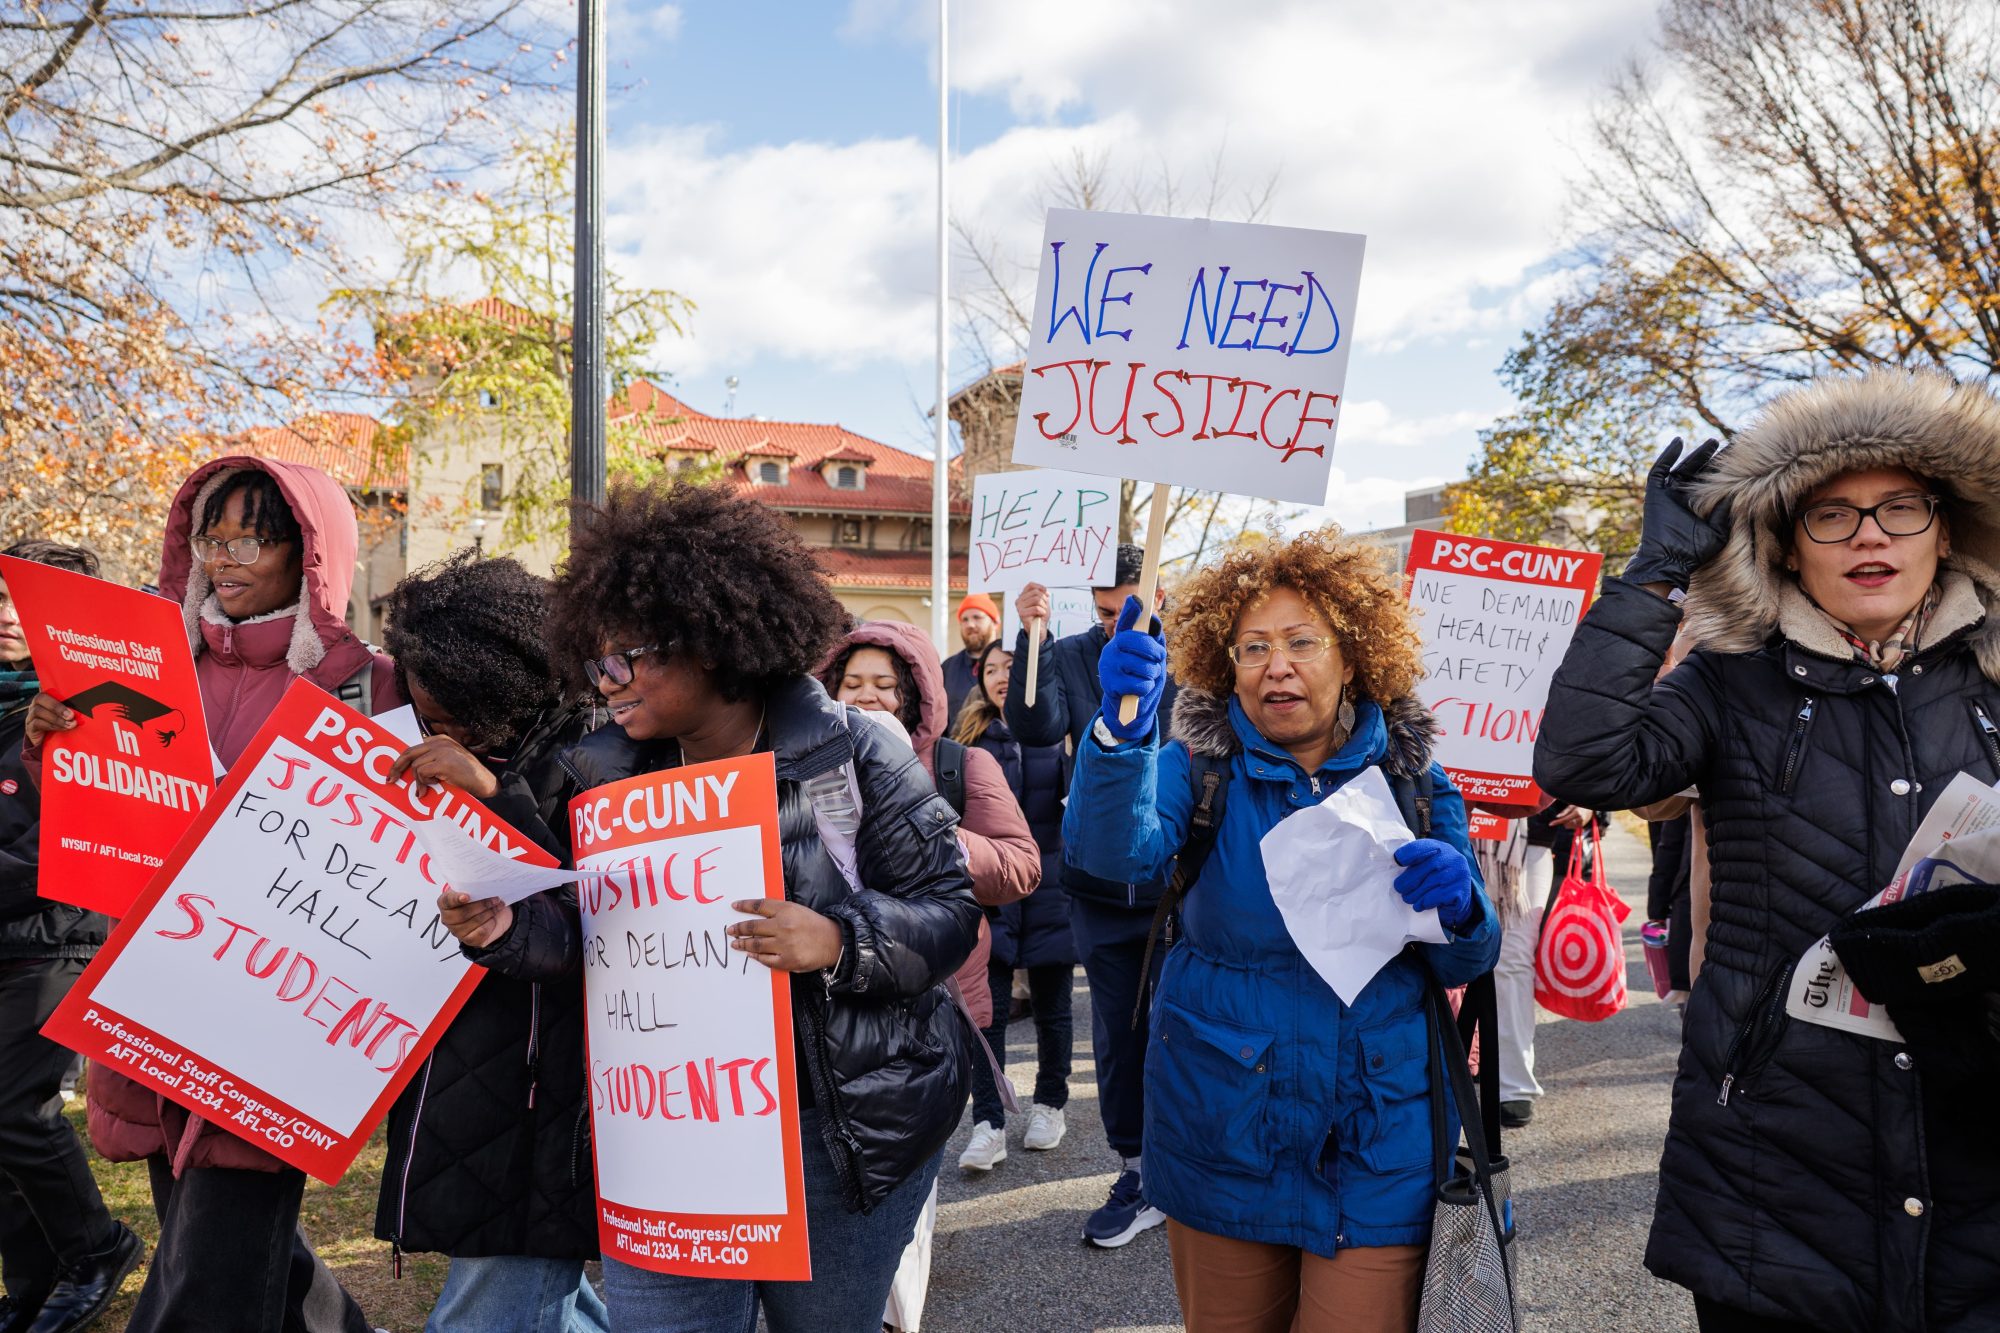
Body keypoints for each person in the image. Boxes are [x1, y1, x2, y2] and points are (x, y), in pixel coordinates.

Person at [437, 483, 980, 1333]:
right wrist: (509, 931)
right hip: (671, 1141)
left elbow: (951, 910)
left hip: (837, 1139)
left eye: (630, 655)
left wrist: (837, 939)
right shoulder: (605, 779)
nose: (606, 679)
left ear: (715, 641)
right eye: (596, 659)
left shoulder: (855, 749)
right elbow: (600, 934)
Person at [1533, 371, 2000, 1332]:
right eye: (1831, 515)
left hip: (1978, 1154)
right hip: (1775, 1166)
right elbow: (1583, 764)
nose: (1870, 535)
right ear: (1787, 547)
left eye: (1899, 509)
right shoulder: (1727, 684)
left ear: (1944, 530)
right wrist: (1652, 576)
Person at [1064, 529, 1499, 1332]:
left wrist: (1464, 907)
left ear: (1353, 655)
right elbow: (1107, 851)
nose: (1277, 664)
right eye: (1253, 646)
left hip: (1379, 1138)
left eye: (1303, 641)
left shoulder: (1416, 782)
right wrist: (1119, 736)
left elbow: (1467, 959)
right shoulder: (1195, 766)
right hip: (1222, 1123)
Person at [26, 459, 399, 1333]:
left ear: (307, 553)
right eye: (211, 535)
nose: (225, 557)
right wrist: (57, 746)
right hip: (154, 1002)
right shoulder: (147, 669)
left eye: (251, 537)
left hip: (273, 1023)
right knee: (215, 1239)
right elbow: (103, 820)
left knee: (208, 1276)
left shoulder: (364, 686)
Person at [367, 553, 606, 1333]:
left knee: (495, 1306)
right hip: (461, 1081)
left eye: (451, 717)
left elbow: (596, 924)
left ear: (503, 687)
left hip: (543, 1095)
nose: (435, 731)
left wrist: (492, 796)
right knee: (538, 1305)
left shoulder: (595, 758)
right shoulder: (438, 745)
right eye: (425, 715)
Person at [1006, 543, 1174, 1247]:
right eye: (1105, 612)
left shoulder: (1200, 654)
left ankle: (1192, 1166)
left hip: (1177, 880)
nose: (1116, 627)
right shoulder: (1075, 652)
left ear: (1160, 596)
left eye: (1129, 611)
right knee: (1117, 1032)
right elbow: (1033, 725)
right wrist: (1031, 636)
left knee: (1190, 1027)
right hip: (1101, 881)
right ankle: (1136, 1168)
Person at [0, 540, 142, 1333]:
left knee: (15, 1109)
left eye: (22, 602)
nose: (4, 615)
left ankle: (96, 1245)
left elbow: (76, 845)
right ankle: (33, 1283)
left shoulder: (99, 710)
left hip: (59, 936)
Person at [818, 620, 1039, 1033]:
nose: (867, 695)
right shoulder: (808, 771)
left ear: (913, 692)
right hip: (840, 983)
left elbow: (1022, 868)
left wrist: (942, 838)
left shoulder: (962, 765)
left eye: (885, 684)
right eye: (853, 683)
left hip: (937, 990)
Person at [953, 641, 1076, 1169]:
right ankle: (989, 1123)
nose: (1004, 676)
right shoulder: (966, 745)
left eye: (1015, 667)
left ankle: (1051, 1103)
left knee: (1053, 1010)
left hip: (1053, 888)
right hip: (991, 893)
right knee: (988, 1015)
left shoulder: (1060, 734)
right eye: (994, 669)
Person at [1494, 800, 1593, 1127]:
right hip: (1448, 824)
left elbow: (1585, 754)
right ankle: (1445, 1070)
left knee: (1512, 961)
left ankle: (1513, 1086)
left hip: (1527, 841)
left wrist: (1589, 803)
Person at [941, 594, 1001, 718]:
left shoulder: (1011, 662)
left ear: (995, 623)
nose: (970, 625)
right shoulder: (948, 667)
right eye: (965, 620)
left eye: (977, 617)